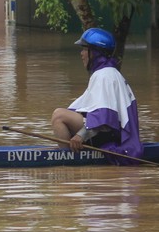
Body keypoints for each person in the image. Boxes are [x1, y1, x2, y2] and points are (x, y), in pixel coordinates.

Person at [50, 28, 143, 164]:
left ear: (94, 52)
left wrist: (80, 136)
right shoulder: (108, 72)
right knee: (65, 114)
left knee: (59, 116)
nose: (81, 54)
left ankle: (67, 160)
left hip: (112, 136)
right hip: (114, 132)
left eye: (84, 49)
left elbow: (105, 120)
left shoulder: (104, 76)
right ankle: (67, 151)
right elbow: (95, 112)